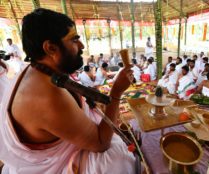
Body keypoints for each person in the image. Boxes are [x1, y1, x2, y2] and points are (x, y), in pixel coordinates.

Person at [0, 9, 135, 173]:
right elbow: (101, 143)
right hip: (55, 165)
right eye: (74, 39)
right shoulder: (48, 98)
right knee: (115, 156)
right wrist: (116, 92)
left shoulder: (37, 69)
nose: (81, 46)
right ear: (50, 48)